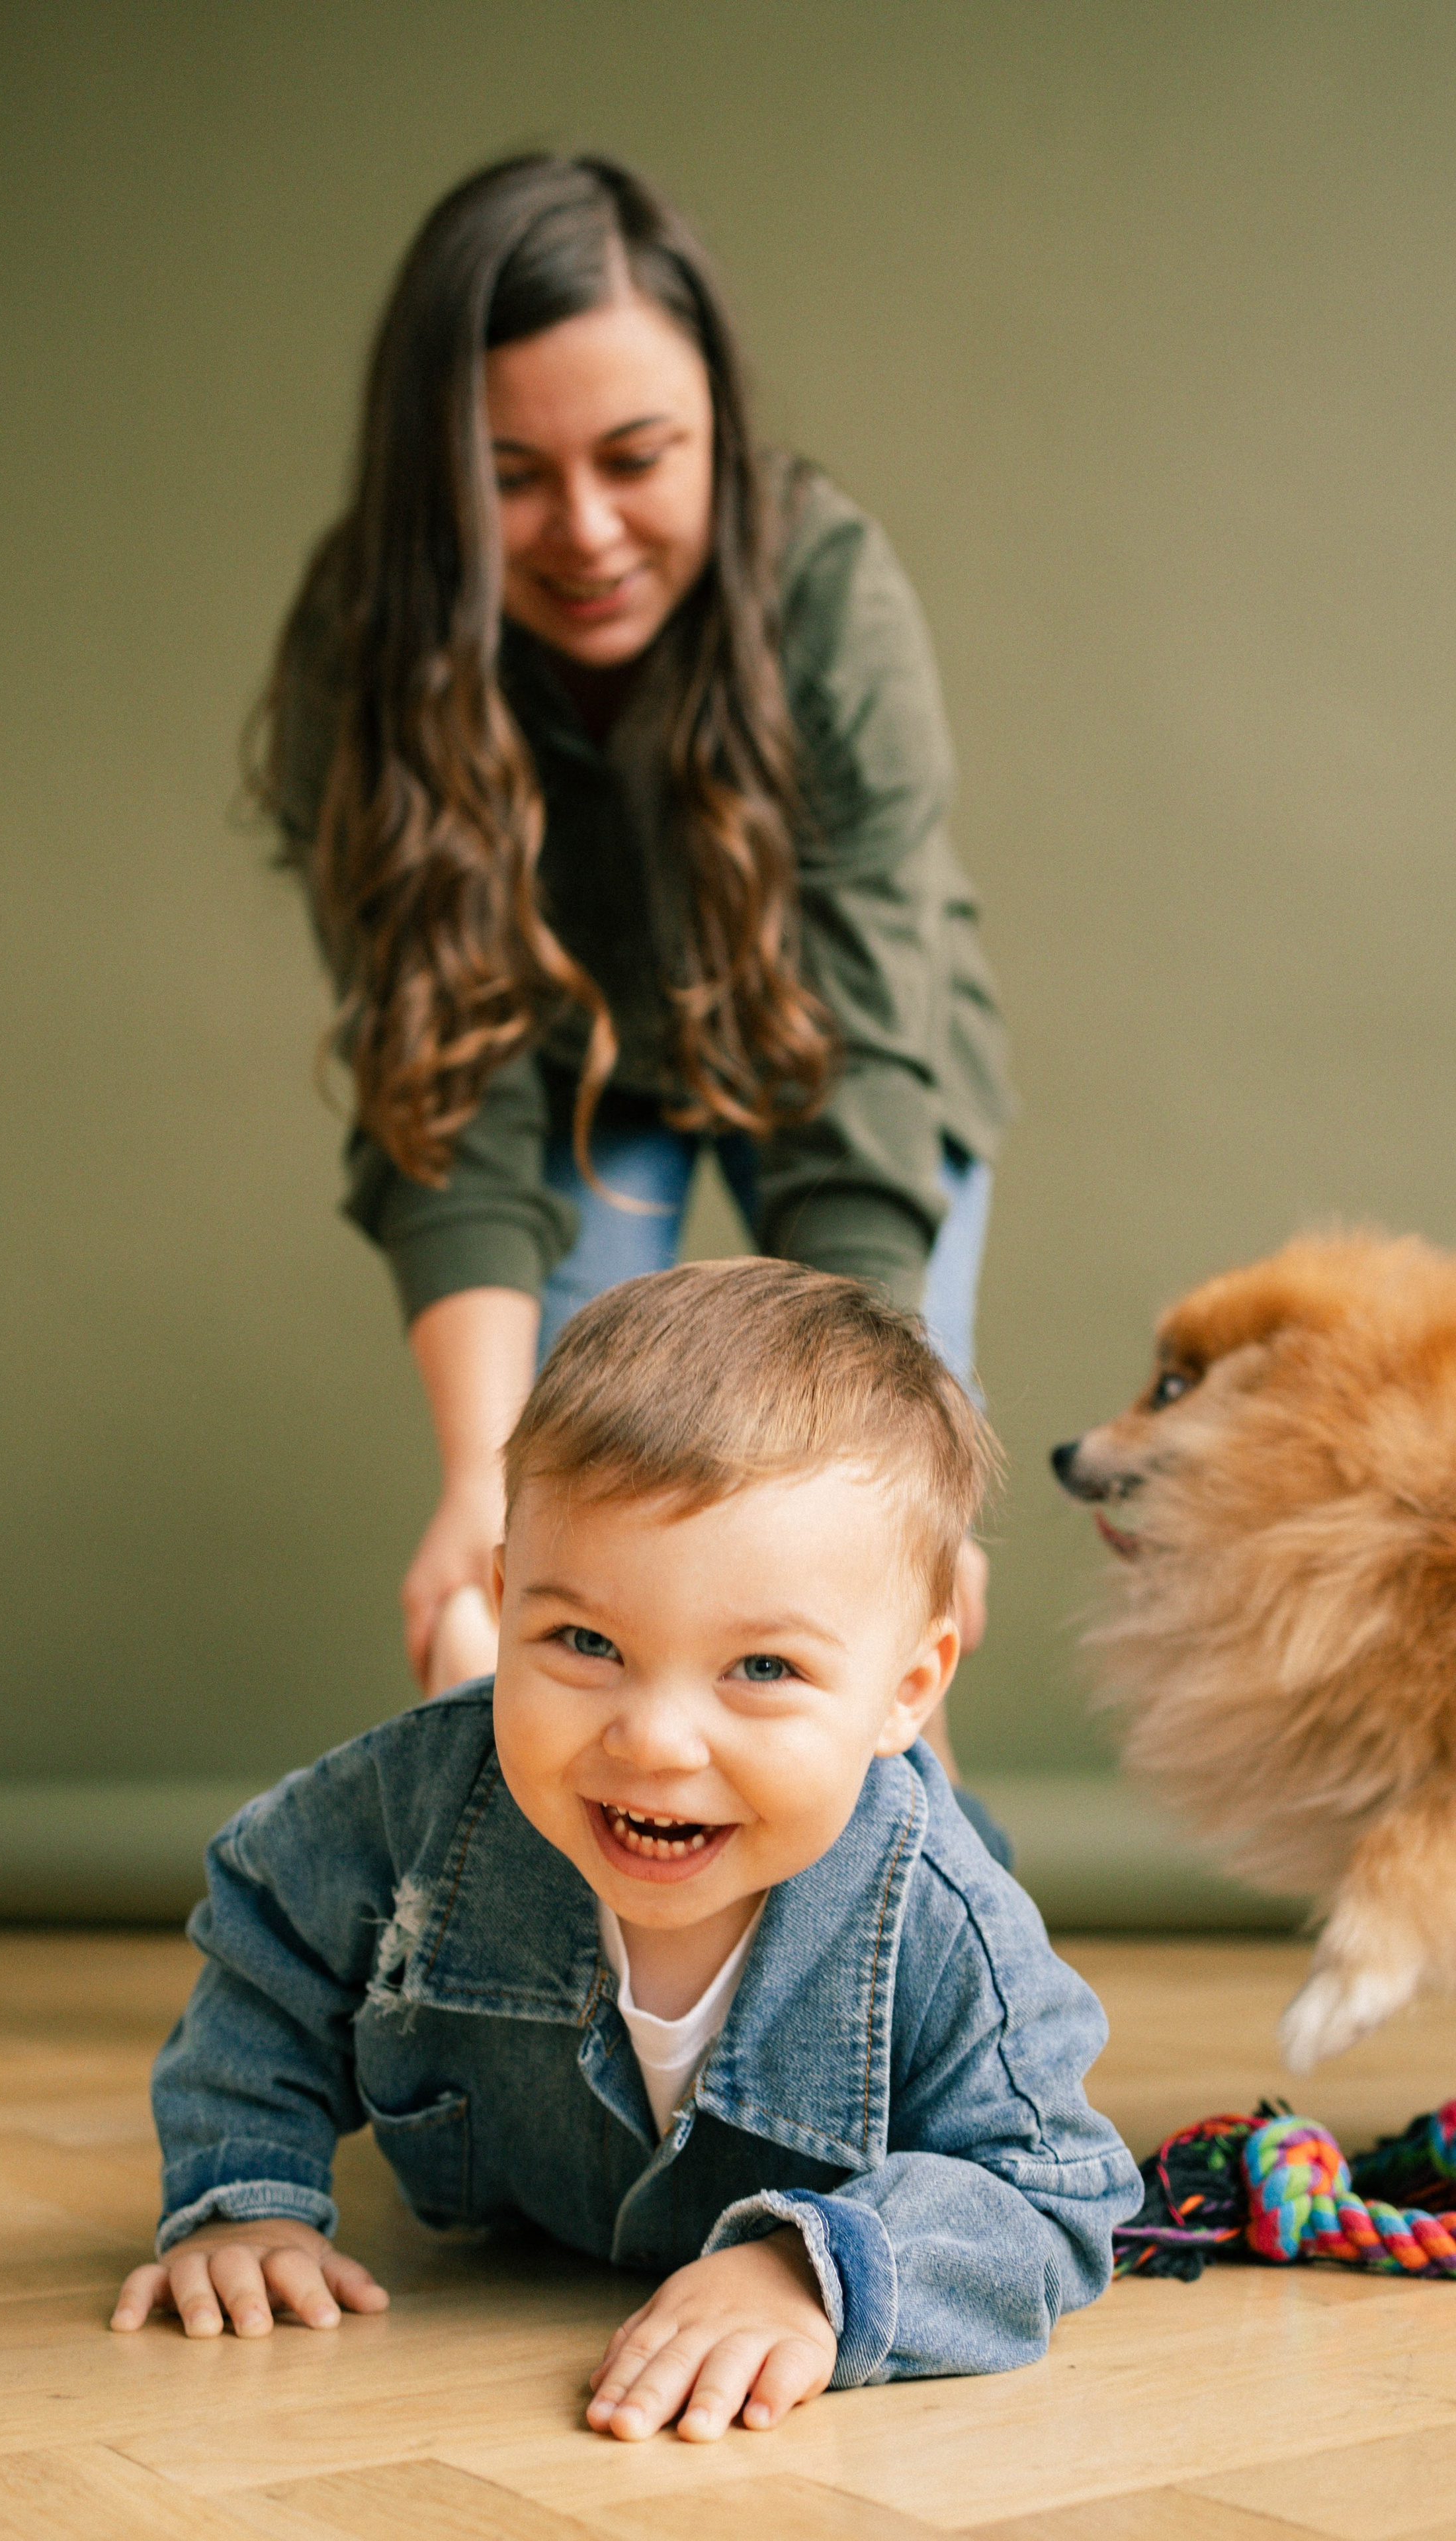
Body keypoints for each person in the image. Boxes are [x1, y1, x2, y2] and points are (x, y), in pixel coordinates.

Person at [249, 155, 1014, 1780]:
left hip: (833, 1058)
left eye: (636, 457)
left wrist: (875, 1493)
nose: (583, 531)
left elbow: (865, 1071)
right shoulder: (366, 645)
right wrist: (485, 1484)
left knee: (854, 1546)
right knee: (594, 1522)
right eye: (509, 476)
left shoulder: (826, 595)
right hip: (571, 1084)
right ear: (430, 481)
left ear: (717, 433)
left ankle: (928, 1937)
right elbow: (444, 1073)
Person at [112, 1263, 1138, 2440]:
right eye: (585, 1638)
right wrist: (244, 2200)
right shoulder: (406, 1811)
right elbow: (268, 1947)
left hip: (896, 1867)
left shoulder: (949, 1926)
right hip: (494, 1789)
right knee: (478, 1769)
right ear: (508, 1602)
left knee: (947, 1854)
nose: (653, 1739)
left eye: (763, 1668)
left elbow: (1055, 2194)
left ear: (908, 1687)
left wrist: (821, 2271)